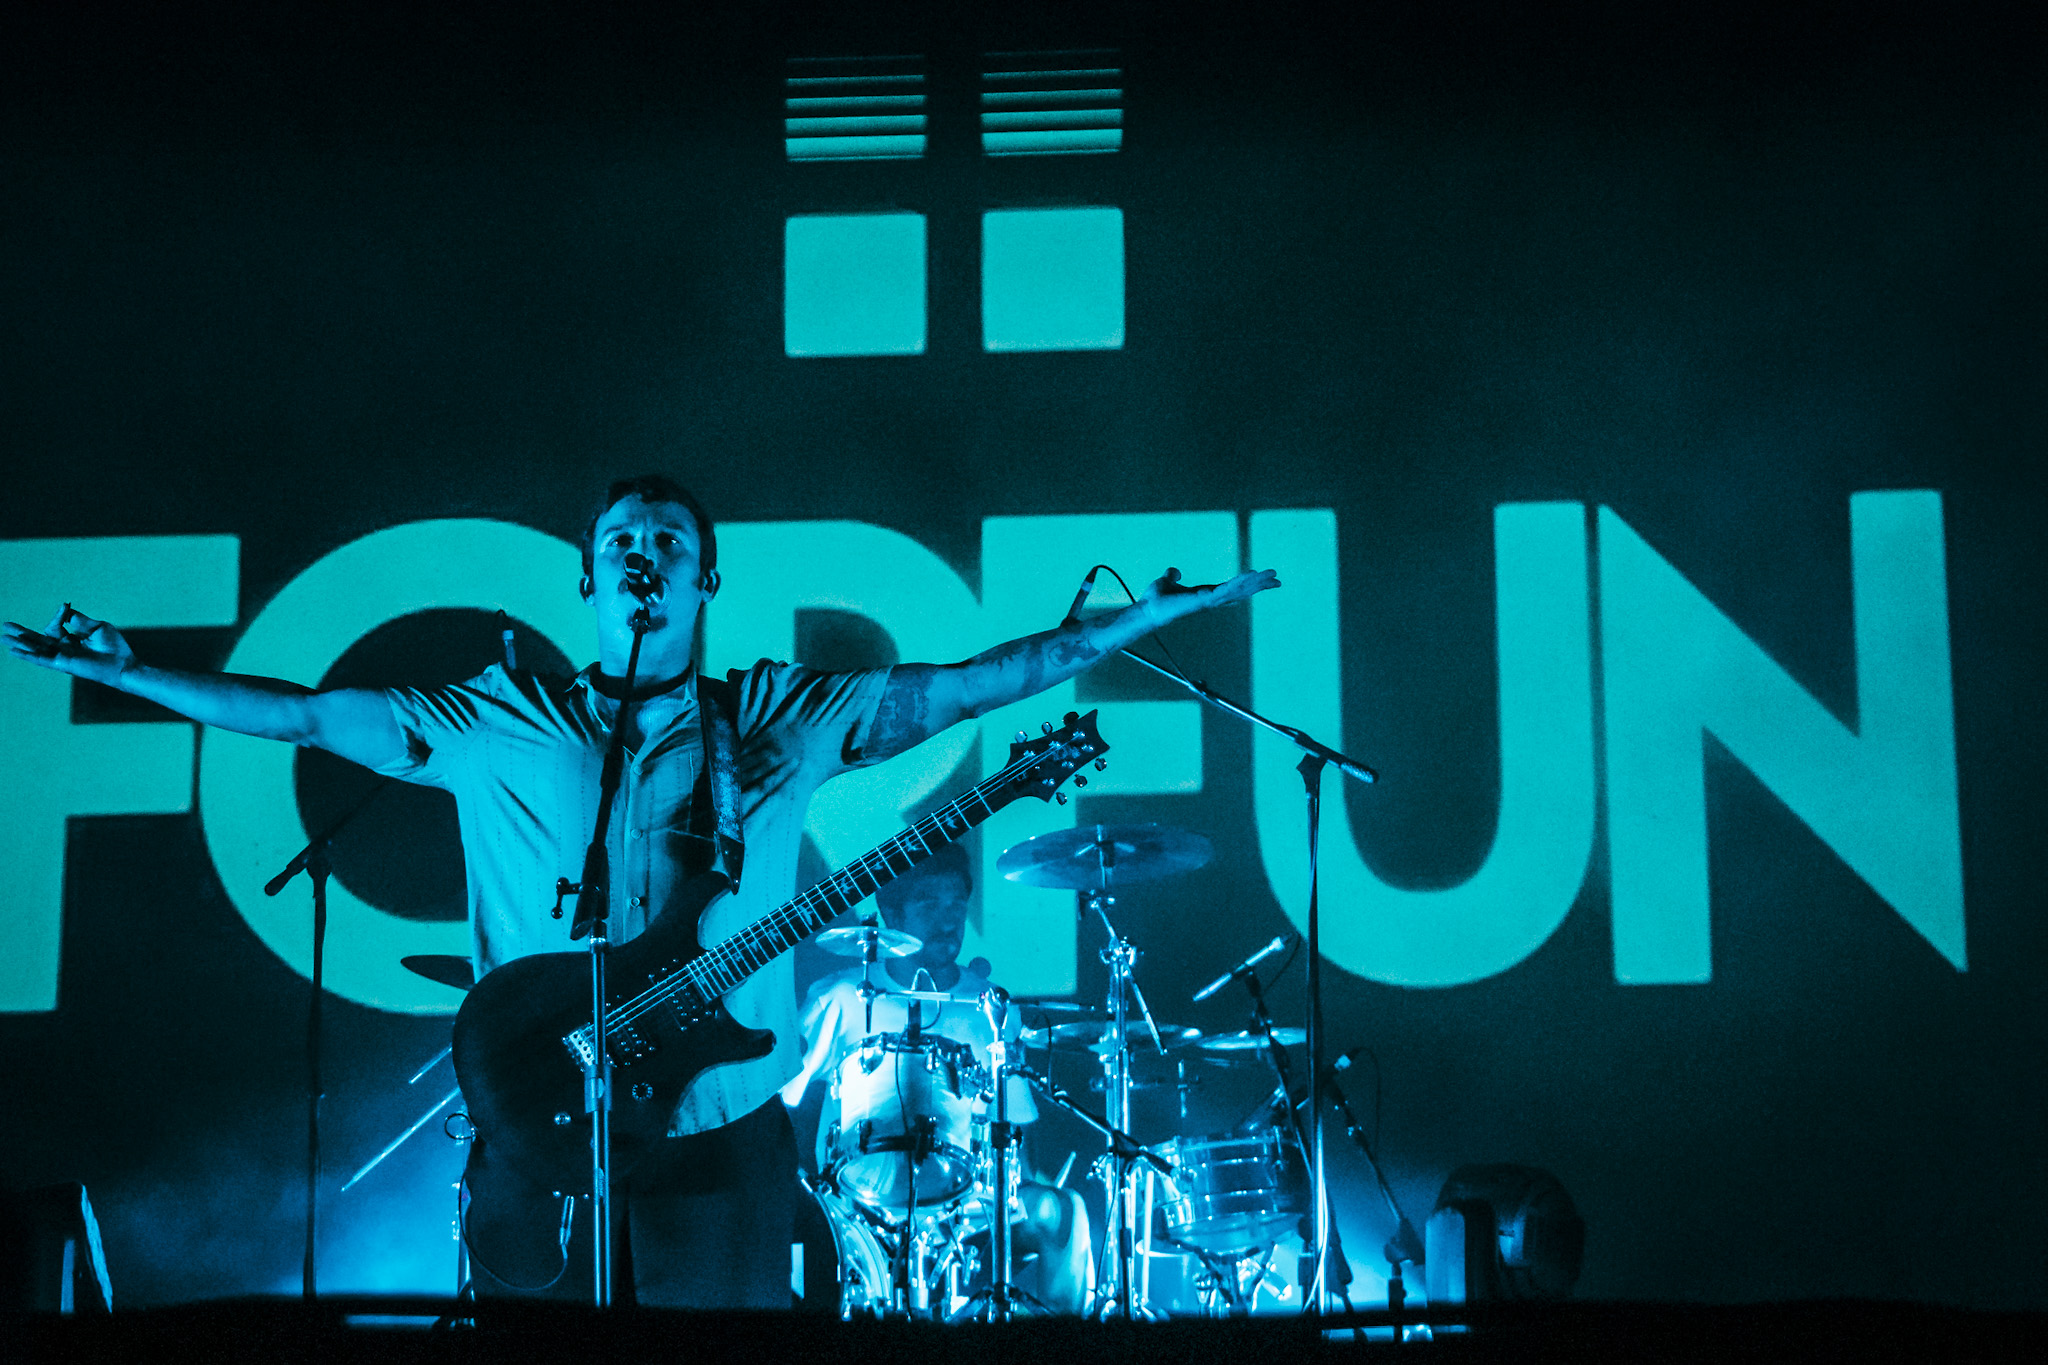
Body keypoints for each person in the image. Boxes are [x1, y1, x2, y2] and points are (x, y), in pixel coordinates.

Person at [3, 473, 1277, 1307]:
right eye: (621, 540)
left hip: (719, 1122)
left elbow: (962, 687)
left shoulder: (773, 714)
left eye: (669, 541)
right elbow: (300, 716)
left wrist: (1122, 628)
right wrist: (128, 673)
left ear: (704, 579)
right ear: (589, 578)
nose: (644, 553)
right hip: (540, 1114)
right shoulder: (500, 716)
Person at [783, 842, 1092, 1312]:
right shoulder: (843, 995)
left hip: (964, 1202)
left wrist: (1022, 1186)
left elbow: (1013, 1125)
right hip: (857, 1199)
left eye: (957, 905)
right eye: (929, 903)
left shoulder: (990, 1006)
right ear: (891, 913)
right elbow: (783, 1099)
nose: (948, 921)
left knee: (1065, 1211)